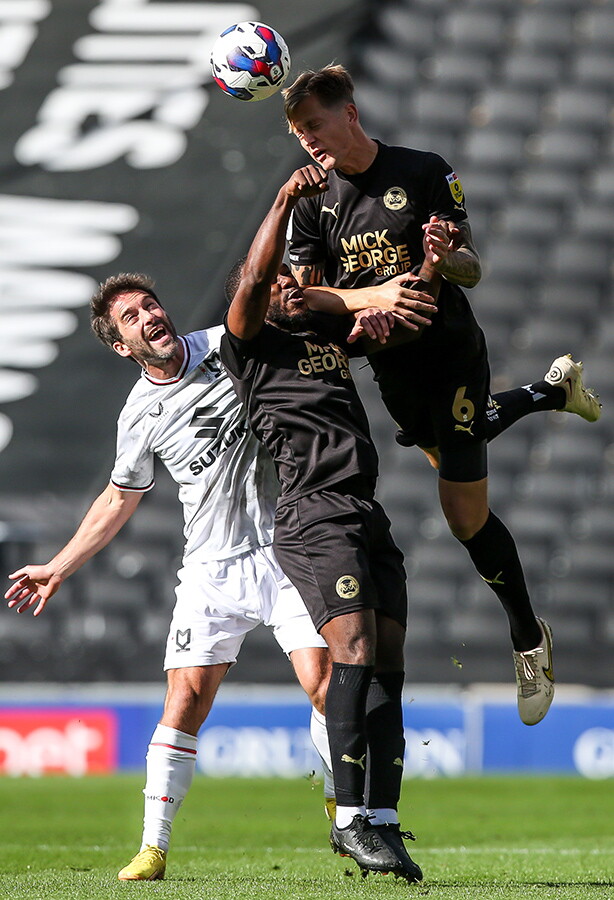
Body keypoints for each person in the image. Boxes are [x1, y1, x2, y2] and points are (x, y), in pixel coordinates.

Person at [282, 64, 602, 727]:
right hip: (390, 367)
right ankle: (549, 390)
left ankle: (527, 637)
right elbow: (303, 297)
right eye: (296, 130)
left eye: (313, 124)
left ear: (350, 114)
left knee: (462, 516)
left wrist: (447, 252)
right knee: (456, 453)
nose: (307, 140)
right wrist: (368, 304)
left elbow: (471, 269)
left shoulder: (423, 170)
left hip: (451, 352)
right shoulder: (312, 203)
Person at [4, 273, 335, 882]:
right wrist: (58, 566)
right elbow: (116, 499)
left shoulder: (227, 343)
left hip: (287, 550)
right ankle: (153, 848)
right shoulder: (140, 415)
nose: (147, 316)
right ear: (120, 346)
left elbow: (284, 312)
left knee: (325, 686)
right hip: (212, 569)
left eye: (149, 304)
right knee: (184, 701)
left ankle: (345, 811)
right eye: (130, 317)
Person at [220, 162, 440, 882]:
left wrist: (427, 271)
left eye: (292, 277)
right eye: (278, 278)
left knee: (389, 671)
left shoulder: (324, 336)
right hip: (314, 514)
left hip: (363, 511)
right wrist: (284, 197)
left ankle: (381, 818)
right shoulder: (249, 343)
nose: (287, 281)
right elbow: (251, 285)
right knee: (350, 655)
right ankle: (347, 821)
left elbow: (399, 321)